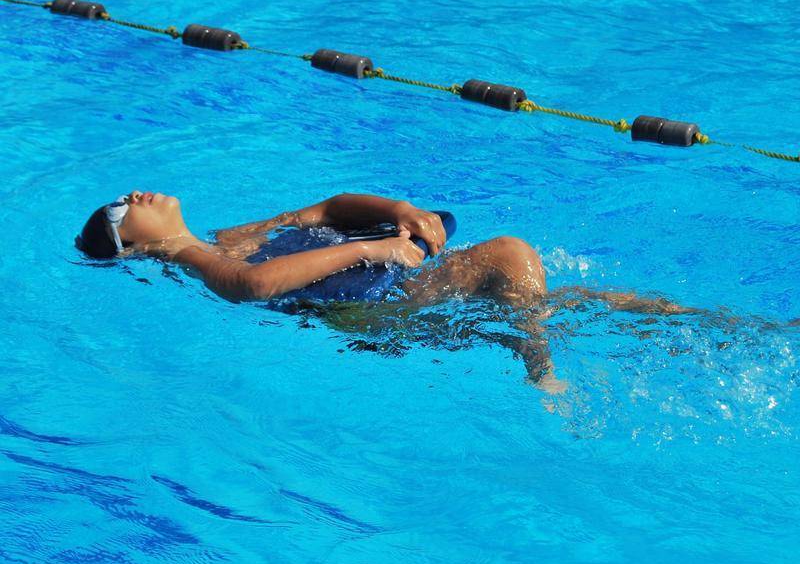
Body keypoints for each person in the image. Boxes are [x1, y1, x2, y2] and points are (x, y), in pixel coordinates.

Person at [76, 191, 695, 391]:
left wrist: (399, 211)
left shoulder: (227, 237)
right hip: (359, 315)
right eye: (119, 208)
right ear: (131, 245)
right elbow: (255, 287)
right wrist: (374, 248)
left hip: (381, 299)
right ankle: (545, 379)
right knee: (512, 257)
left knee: (579, 303)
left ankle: (715, 328)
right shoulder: (196, 258)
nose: (133, 197)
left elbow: (323, 210)